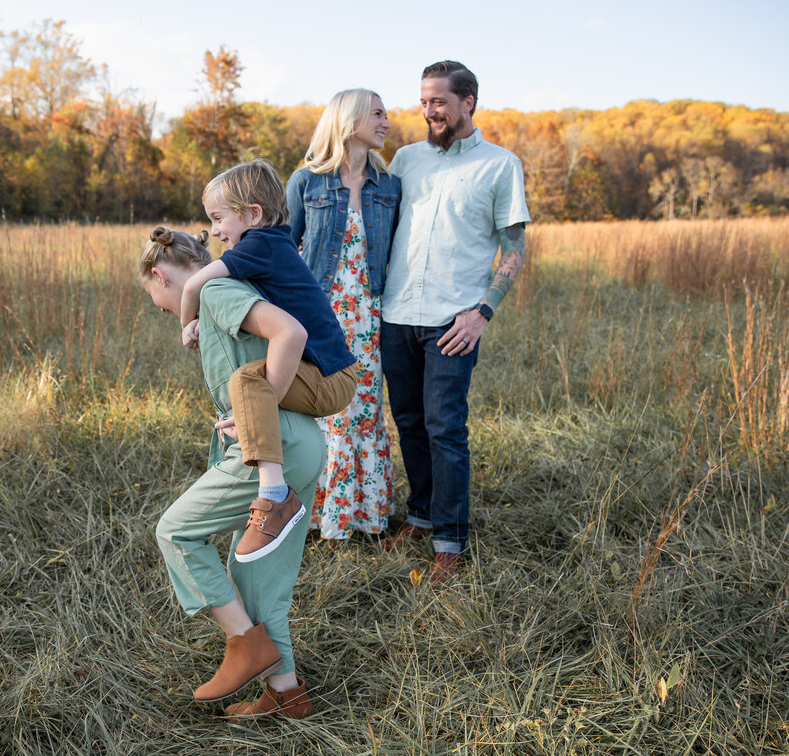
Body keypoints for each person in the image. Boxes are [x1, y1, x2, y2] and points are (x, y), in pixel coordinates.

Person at [141, 225, 320, 720]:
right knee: (259, 583)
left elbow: (291, 333)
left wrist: (256, 418)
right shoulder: (230, 290)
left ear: (159, 275)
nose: (167, 313)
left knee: (176, 531)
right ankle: (288, 698)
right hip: (302, 445)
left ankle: (244, 643)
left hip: (270, 448)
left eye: (160, 302)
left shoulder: (217, 290)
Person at [379, 60, 530, 582]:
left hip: (453, 321)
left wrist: (482, 312)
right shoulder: (404, 159)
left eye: (438, 101)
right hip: (395, 315)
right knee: (410, 423)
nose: (428, 112)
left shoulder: (500, 165)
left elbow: (515, 249)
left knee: (446, 428)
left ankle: (450, 540)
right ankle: (420, 516)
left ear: (469, 103)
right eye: (423, 102)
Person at [179, 159, 357, 563]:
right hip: (332, 372)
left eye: (219, 218)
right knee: (250, 383)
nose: (217, 230)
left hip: (330, 377)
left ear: (253, 215)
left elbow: (193, 283)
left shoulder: (259, 245)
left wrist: (187, 322)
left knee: (247, 382)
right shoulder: (273, 244)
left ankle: (275, 496)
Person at [286, 89, 400, 540]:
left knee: (364, 411)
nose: (386, 121)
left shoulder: (389, 184)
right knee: (324, 411)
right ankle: (315, 516)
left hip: (370, 318)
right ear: (349, 120)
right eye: (377, 113)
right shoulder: (306, 182)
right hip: (320, 318)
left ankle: (363, 514)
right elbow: (283, 250)